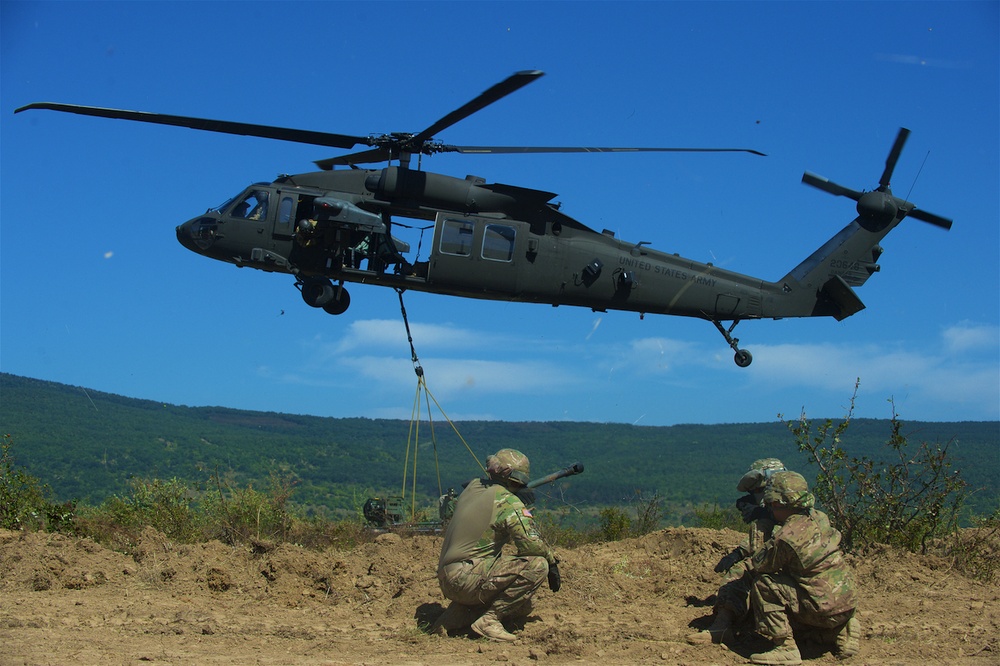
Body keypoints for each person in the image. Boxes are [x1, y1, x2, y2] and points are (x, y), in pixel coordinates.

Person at [433, 448, 560, 642]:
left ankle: (458, 614)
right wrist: (551, 562)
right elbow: (531, 546)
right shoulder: (507, 501)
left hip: (447, 578)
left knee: (521, 601)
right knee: (537, 565)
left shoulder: (473, 488)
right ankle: (489, 620)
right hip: (465, 579)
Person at [747, 471, 860, 665]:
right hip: (847, 601)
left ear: (777, 503)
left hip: (820, 610)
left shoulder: (787, 537)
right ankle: (839, 629)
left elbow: (760, 565)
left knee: (764, 585)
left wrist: (759, 533)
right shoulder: (821, 518)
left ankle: (785, 648)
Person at [688, 457, 786, 646]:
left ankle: (722, 626)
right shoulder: (807, 514)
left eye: (758, 491)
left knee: (739, 574)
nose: (757, 496)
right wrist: (739, 552)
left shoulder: (798, 520)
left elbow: (779, 542)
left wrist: (763, 515)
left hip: (798, 581)